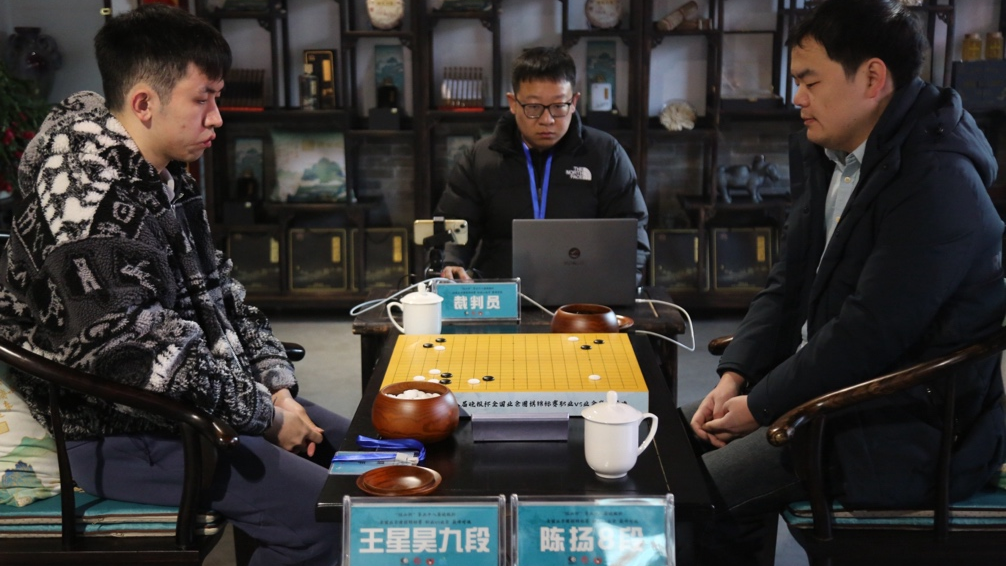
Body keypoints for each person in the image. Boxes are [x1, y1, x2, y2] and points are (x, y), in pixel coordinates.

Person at [0, 5, 348, 565]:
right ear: (144, 103)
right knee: (326, 520)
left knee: (369, 456)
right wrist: (265, 418)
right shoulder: (85, 193)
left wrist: (276, 385)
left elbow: (221, 290)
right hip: (124, 430)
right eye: (203, 98)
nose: (217, 118)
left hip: (197, 407)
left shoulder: (160, 171)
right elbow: (129, 349)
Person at [686, 0, 1006, 562]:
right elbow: (788, 282)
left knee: (696, 494)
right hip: (826, 393)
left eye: (810, 82)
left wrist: (762, 405)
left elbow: (871, 333)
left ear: (873, 78)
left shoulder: (937, 178)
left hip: (897, 422)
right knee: (667, 447)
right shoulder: (836, 153)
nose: (797, 98)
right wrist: (737, 375)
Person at [434, 46, 650, 284]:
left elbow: (631, 232)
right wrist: (450, 263)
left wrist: (619, 287)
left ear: (574, 101)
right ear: (513, 103)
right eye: (534, 108)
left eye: (559, 106)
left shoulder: (604, 154)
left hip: (583, 292)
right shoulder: (481, 158)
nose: (547, 120)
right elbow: (453, 224)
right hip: (500, 290)